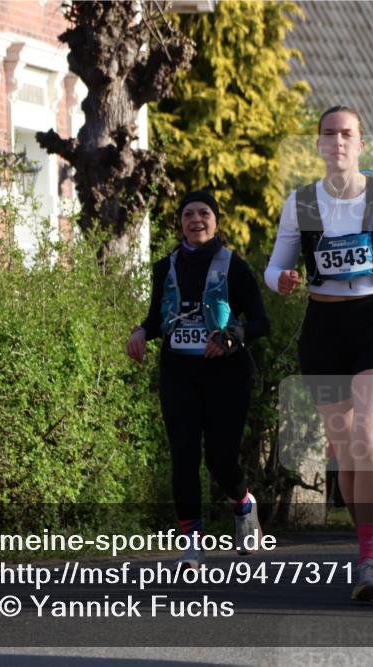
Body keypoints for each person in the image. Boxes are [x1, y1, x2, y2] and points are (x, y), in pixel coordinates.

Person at [265, 106, 373, 602]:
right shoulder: (300, 202)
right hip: (322, 331)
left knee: (368, 435)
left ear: (361, 145)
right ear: (318, 144)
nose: (337, 141)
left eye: (347, 134)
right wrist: (279, 279)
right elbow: (274, 266)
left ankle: (369, 560)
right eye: (328, 134)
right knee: (348, 457)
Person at [127, 190, 270, 567]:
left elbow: (259, 321)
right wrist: (141, 332)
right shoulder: (165, 267)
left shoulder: (234, 266)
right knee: (184, 455)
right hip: (178, 375)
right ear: (180, 223)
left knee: (221, 459)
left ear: (216, 220)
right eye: (188, 214)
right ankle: (192, 542)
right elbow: (158, 318)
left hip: (227, 376)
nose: (196, 220)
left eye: (204, 213)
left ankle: (243, 504)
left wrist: (230, 336)